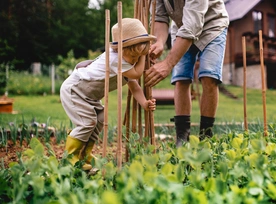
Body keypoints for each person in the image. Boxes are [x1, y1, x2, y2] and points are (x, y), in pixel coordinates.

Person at [60, 18, 156, 170]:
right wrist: (144, 55)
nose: (136, 61)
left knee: (99, 119)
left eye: (138, 58)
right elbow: (137, 74)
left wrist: (144, 102)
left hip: (90, 96)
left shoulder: (125, 59)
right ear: (121, 50)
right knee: (87, 123)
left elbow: (134, 85)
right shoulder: (115, 59)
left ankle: (85, 155)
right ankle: (70, 158)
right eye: (134, 57)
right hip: (76, 90)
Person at [144, 0, 229, 147]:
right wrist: (159, 42)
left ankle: (205, 136)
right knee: (181, 78)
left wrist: (168, 63)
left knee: (209, 76)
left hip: (212, 25)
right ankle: (182, 137)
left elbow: (192, 26)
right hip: (182, 27)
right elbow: (160, 17)